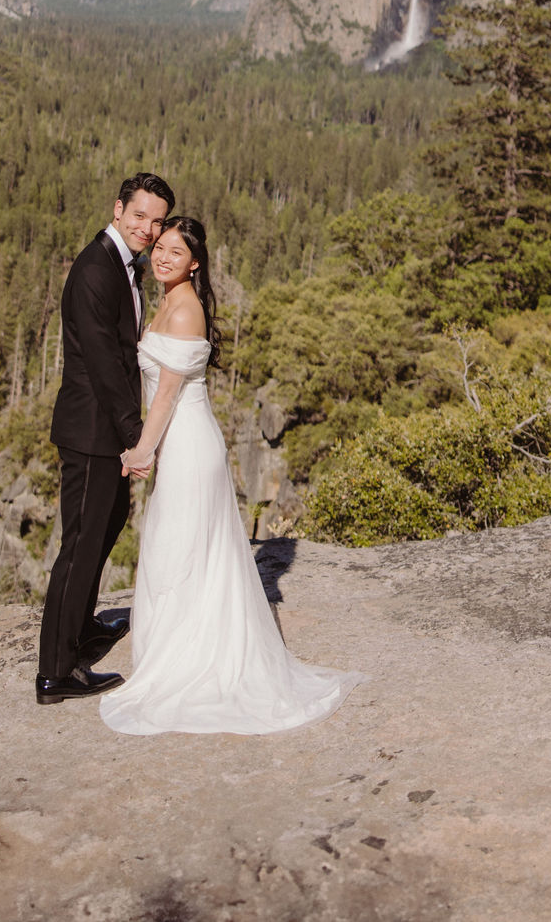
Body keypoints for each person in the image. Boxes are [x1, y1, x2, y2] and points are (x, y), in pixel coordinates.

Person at [100, 215, 365, 735]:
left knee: (179, 549)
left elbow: (169, 396)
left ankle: (190, 660)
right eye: (160, 248)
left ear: (195, 263)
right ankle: (178, 649)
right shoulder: (169, 301)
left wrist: (139, 452)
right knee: (179, 549)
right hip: (180, 442)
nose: (163, 257)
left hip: (185, 444)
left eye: (176, 252)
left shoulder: (184, 313)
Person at [36, 172, 176, 705]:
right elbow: (103, 365)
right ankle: (56, 671)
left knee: (106, 526)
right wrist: (135, 440)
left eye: (157, 220)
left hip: (103, 429)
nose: (147, 228)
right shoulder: (97, 270)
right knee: (80, 544)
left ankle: (83, 629)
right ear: (118, 209)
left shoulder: (121, 266)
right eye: (139, 215)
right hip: (94, 433)